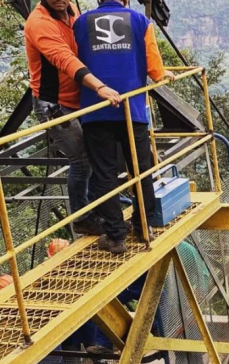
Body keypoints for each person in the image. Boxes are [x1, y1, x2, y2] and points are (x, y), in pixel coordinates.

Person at [73, 0, 174, 254]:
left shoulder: (81, 22)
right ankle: (144, 227)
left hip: (96, 111)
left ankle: (116, 236)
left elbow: (73, 63)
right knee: (141, 171)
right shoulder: (140, 21)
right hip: (133, 111)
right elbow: (154, 69)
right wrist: (164, 74)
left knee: (104, 174)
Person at [24, 0, 121, 236]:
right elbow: (64, 59)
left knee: (98, 152)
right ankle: (82, 217)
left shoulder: (70, 10)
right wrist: (100, 87)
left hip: (78, 99)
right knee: (81, 161)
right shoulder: (39, 23)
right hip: (54, 104)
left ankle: (96, 206)